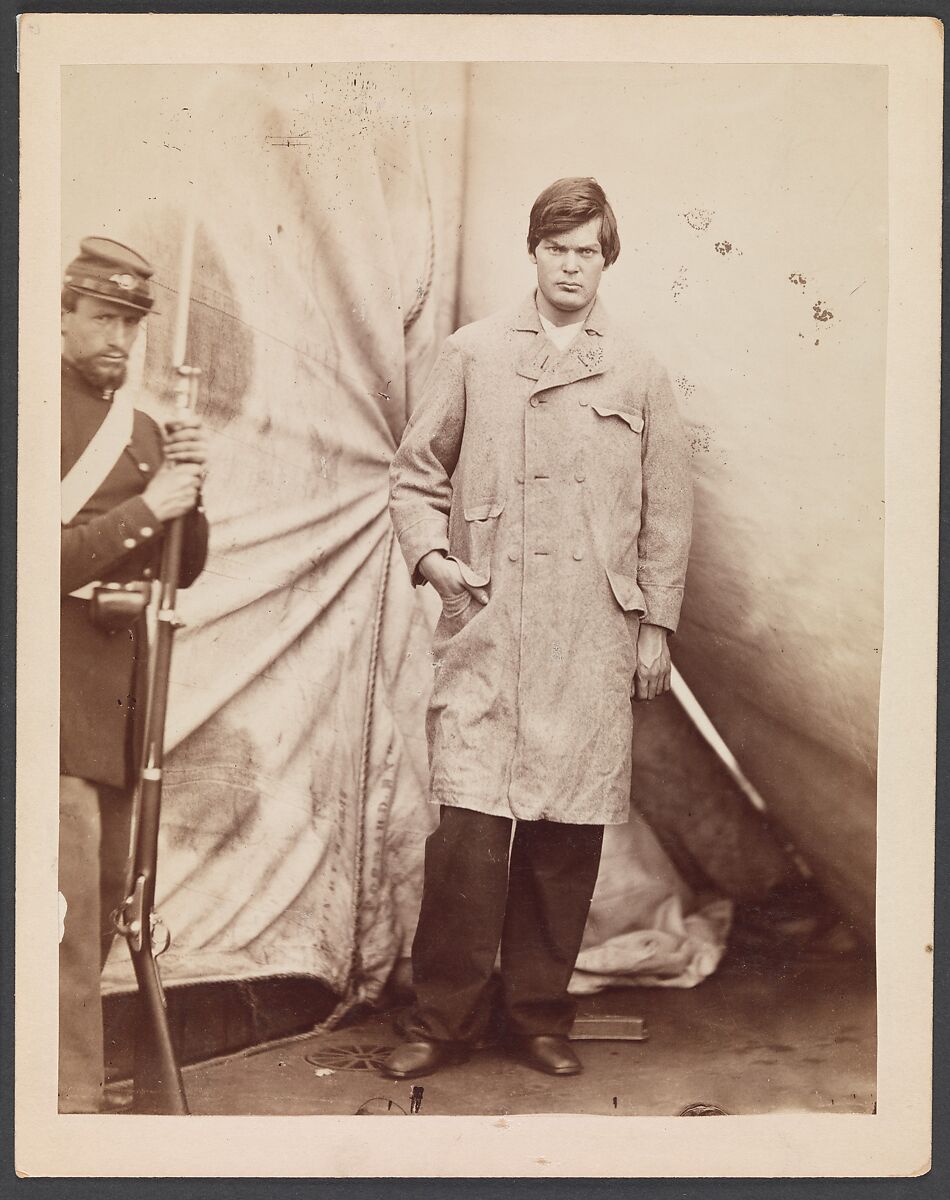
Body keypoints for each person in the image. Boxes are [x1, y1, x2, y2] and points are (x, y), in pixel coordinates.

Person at [385, 178, 693, 1079]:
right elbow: (415, 477)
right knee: (470, 839)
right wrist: (435, 563)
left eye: (588, 249)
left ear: (607, 259)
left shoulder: (639, 371)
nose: (571, 265)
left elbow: (668, 516)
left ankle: (538, 1017)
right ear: (534, 252)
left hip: (592, 635)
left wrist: (656, 627)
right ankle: (442, 1022)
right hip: (488, 626)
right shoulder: (474, 353)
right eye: (557, 248)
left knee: (564, 841)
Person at [59, 237, 210, 1112]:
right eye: (105, 318)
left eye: (130, 324)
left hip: (122, 706)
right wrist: (150, 506)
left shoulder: (147, 430)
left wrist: (193, 479)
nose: (119, 337)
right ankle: (66, 1102)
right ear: (66, 317)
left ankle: (68, 1081)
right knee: (66, 916)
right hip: (51, 696)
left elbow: (180, 568)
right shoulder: (33, 413)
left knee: (109, 896)